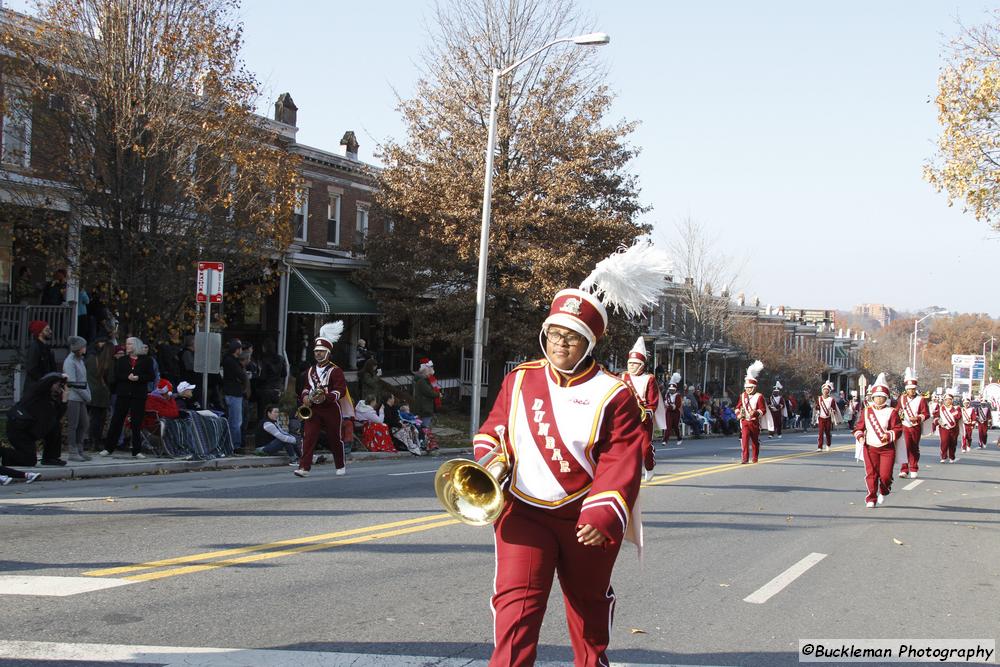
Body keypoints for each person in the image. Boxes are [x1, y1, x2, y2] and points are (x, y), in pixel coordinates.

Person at [470, 243, 665, 667]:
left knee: (587, 609)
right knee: (515, 610)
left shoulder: (613, 393)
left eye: (572, 337)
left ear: (589, 342)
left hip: (584, 517)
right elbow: (493, 430)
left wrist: (601, 516)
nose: (560, 344)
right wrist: (492, 460)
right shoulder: (519, 380)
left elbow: (621, 460)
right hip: (523, 511)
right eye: (555, 334)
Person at [294, 321, 351, 477]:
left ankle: (340, 464)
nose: (318, 354)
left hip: (331, 408)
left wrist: (326, 397)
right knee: (309, 437)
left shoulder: (335, 370)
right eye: (316, 351)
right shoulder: (310, 370)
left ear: (328, 353)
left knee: (334, 438)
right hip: (313, 408)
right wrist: (305, 397)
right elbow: (306, 387)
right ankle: (304, 468)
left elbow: (341, 390)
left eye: (321, 351)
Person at [852, 373, 903, 508]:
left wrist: (889, 434)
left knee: (886, 475)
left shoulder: (892, 412)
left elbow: (898, 429)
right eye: (876, 396)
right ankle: (871, 497)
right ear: (873, 397)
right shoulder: (866, 411)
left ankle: (884, 490)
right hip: (870, 447)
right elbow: (858, 428)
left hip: (887, 448)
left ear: (885, 398)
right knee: (871, 474)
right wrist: (860, 436)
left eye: (881, 396)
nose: (879, 399)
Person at [100, 337, 155, 458]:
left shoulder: (147, 360)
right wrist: (127, 377)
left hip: (138, 395)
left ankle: (137, 450)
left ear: (136, 345)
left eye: (130, 344)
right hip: (124, 393)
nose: (127, 346)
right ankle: (109, 448)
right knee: (117, 420)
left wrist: (138, 378)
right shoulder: (122, 360)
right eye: (127, 344)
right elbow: (117, 375)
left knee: (137, 422)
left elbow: (151, 376)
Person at [620, 337, 665, 482]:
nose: (631, 366)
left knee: (645, 448)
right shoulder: (622, 377)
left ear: (641, 365)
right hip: (625, 418)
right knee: (624, 448)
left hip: (643, 418)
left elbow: (653, 401)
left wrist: (647, 412)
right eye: (630, 363)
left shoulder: (649, 379)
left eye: (635, 364)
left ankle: (649, 467)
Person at [3, 372, 69, 467]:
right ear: (49, 383)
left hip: (30, 431)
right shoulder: (36, 392)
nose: (59, 386)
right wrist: (60, 377)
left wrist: (64, 400)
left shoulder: (50, 399)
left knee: (55, 425)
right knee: (30, 460)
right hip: (19, 430)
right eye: (57, 384)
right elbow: (43, 383)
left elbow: (57, 417)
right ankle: (4, 452)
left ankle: (50, 457)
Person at [735, 360, 773, 464]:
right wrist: (738, 414)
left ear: (754, 387)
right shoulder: (742, 396)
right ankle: (745, 458)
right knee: (744, 440)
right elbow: (737, 407)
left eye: (750, 388)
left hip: (754, 422)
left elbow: (763, 410)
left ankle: (755, 457)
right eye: (746, 388)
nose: (748, 389)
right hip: (744, 421)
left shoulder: (759, 396)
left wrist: (755, 413)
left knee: (755, 441)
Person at [896, 367, 930, 479]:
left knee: (914, 447)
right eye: (909, 389)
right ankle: (904, 469)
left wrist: (918, 418)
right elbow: (897, 410)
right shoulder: (901, 399)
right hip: (904, 425)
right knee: (904, 447)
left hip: (915, 427)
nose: (911, 391)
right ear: (906, 389)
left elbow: (926, 414)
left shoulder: (921, 399)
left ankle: (914, 467)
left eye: (913, 389)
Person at [62, 336, 92, 462]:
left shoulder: (80, 360)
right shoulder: (70, 361)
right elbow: (73, 382)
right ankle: (72, 450)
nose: (85, 349)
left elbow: (84, 380)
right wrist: (86, 395)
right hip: (74, 397)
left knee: (84, 423)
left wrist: (88, 394)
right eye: (83, 346)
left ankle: (80, 448)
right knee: (73, 425)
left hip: (82, 397)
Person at [86, 337, 113, 450]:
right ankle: (96, 442)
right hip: (102, 393)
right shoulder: (109, 363)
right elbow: (111, 379)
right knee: (100, 419)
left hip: (90, 391)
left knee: (92, 418)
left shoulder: (90, 359)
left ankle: (90, 441)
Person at [221, 339, 246, 453]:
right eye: (240, 348)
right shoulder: (232, 361)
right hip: (234, 392)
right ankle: (235, 445)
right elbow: (241, 375)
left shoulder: (227, 360)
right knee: (236, 421)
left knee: (233, 420)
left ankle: (231, 443)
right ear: (237, 350)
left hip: (230, 391)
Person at [23, 320, 56, 396]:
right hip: (35, 389)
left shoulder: (47, 348)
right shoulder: (35, 347)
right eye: (47, 330)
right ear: (39, 333)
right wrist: (45, 380)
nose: (50, 332)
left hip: (44, 387)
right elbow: (32, 368)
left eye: (50, 329)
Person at [412, 360, 440, 449]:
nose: (430, 374)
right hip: (424, 408)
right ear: (425, 371)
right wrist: (438, 394)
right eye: (429, 371)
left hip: (423, 407)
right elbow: (429, 392)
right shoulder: (422, 381)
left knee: (422, 426)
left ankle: (423, 442)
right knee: (424, 426)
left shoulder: (421, 380)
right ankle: (424, 443)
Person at [814, 380, 842, 451]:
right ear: (822, 391)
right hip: (821, 417)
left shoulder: (831, 399)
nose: (825, 391)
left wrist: (833, 410)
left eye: (827, 390)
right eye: (824, 390)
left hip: (828, 418)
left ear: (828, 391)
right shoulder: (820, 398)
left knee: (827, 432)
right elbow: (817, 407)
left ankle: (828, 445)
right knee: (820, 433)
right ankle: (819, 447)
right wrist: (816, 408)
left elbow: (834, 408)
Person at [936, 387, 962, 463]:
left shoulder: (956, 408)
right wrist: (940, 422)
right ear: (944, 400)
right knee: (944, 442)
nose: (948, 401)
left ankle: (952, 456)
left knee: (953, 443)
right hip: (944, 428)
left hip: (954, 429)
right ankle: (943, 456)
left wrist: (951, 410)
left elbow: (958, 417)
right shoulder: (941, 408)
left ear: (952, 400)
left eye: (950, 399)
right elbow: (936, 417)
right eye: (946, 399)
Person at [660, 372, 683, 446]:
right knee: (668, 426)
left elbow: (677, 405)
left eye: (673, 389)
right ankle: (665, 440)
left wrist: (670, 406)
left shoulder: (678, 396)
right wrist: (670, 406)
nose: (671, 391)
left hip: (676, 413)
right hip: (669, 412)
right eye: (670, 389)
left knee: (676, 426)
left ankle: (679, 438)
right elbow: (666, 403)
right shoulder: (667, 394)